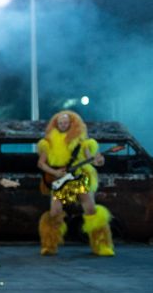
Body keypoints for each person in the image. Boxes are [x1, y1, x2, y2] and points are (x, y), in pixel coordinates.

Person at [35, 110, 114, 257]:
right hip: (60, 178)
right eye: (60, 122)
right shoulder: (48, 142)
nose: (63, 125)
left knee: (90, 209)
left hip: (78, 176)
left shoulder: (82, 141)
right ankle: (49, 246)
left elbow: (92, 160)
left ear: (72, 123)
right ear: (55, 124)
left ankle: (102, 246)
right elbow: (41, 164)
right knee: (55, 212)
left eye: (65, 122)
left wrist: (99, 161)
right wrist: (55, 173)